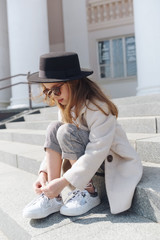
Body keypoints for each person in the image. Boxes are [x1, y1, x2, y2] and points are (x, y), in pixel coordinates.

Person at [23, 52, 143, 219]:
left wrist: (64, 181)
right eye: (48, 92)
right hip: (84, 160)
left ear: (73, 83)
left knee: (65, 131)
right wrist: (43, 174)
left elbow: (97, 151)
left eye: (56, 89)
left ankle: (88, 192)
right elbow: (56, 140)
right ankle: (52, 196)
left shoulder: (98, 107)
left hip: (108, 159)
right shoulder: (65, 105)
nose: (54, 96)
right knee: (54, 128)